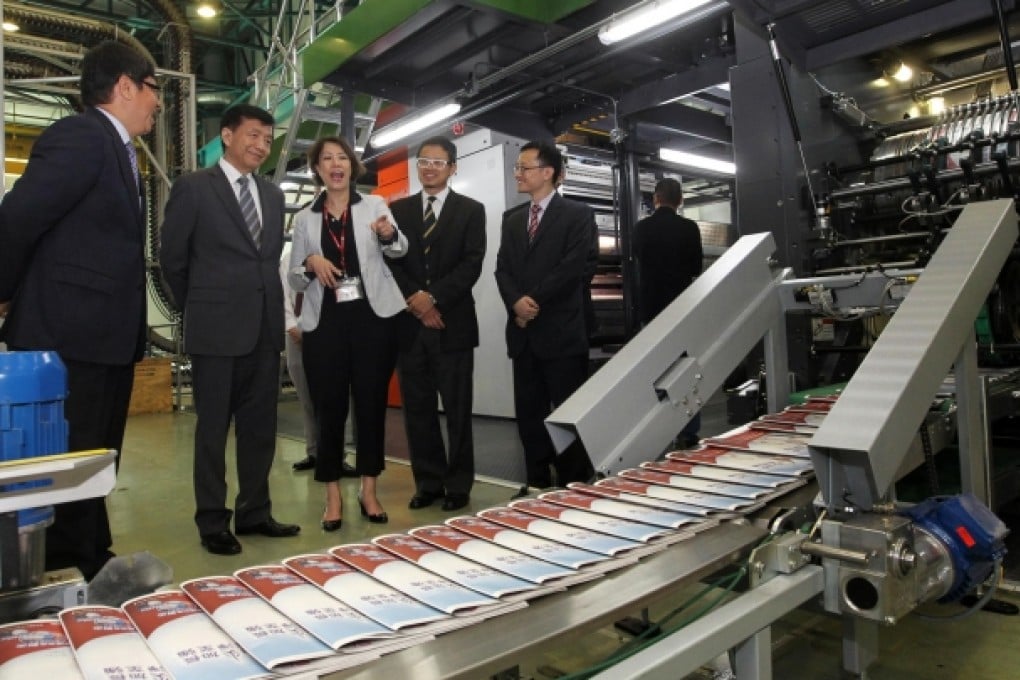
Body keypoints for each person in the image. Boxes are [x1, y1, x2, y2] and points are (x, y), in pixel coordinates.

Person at [0, 41, 160, 581]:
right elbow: (18, 218)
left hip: (101, 338)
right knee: (70, 459)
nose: (158, 102)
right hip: (68, 336)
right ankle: (66, 565)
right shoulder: (82, 136)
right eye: (153, 87)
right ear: (125, 86)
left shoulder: (117, 149)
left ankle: (91, 556)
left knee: (93, 457)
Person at [159, 104, 300, 556]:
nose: (261, 145)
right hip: (215, 330)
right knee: (213, 429)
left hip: (263, 329)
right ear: (227, 135)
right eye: (253, 135)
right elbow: (172, 260)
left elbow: (267, 262)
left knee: (260, 428)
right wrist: (198, 308)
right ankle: (212, 520)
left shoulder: (273, 196)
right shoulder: (194, 188)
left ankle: (255, 511)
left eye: (267, 138)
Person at [287, 136, 406, 531]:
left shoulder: (374, 205)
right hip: (326, 326)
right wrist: (309, 261)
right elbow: (295, 280)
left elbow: (399, 248)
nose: (335, 164)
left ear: (352, 167)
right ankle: (332, 496)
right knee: (329, 409)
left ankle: (368, 490)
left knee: (371, 406)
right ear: (317, 169)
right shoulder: (305, 219)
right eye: (326, 159)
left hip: (373, 320)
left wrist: (388, 235)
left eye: (342, 158)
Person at [387, 136, 486, 512]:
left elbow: (471, 264)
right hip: (411, 327)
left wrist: (434, 297)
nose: (429, 167)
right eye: (424, 160)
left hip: (454, 325)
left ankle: (458, 484)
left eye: (438, 162)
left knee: (458, 411)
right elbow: (391, 262)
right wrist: (417, 301)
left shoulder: (471, 210)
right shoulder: (399, 210)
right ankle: (427, 482)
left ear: (453, 168)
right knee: (417, 409)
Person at [494, 141, 597, 493]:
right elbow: (502, 270)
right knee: (529, 412)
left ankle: (574, 483)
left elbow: (574, 268)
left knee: (568, 412)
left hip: (562, 331)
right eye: (517, 168)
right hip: (523, 333)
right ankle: (536, 481)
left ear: (548, 172)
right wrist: (515, 304)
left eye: (524, 167)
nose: (518, 174)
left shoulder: (577, 215)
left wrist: (531, 302)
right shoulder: (511, 220)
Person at [632, 177, 704, 446]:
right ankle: (688, 429)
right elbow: (696, 268)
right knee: (684, 368)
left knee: (654, 370)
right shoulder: (689, 228)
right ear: (681, 200)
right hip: (680, 308)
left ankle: (656, 428)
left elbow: (636, 260)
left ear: (655, 199)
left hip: (650, 309)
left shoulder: (641, 229)